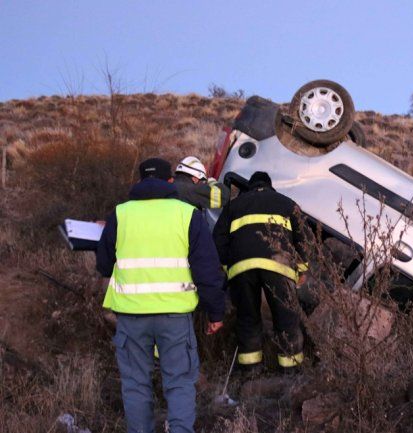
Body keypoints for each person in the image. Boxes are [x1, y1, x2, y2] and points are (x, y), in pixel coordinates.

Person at [96, 157, 226, 433]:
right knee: (179, 382)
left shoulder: (120, 214)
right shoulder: (187, 213)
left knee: (135, 384)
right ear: (170, 181)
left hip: (130, 317)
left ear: (140, 180)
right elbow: (207, 269)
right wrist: (215, 312)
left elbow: (104, 265)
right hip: (174, 317)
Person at [212, 171, 308, 373]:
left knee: (247, 318)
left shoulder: (234, 205)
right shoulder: (287, 203)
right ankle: (291, 372)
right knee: (286, 317)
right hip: (278, 265)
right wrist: (302, 270)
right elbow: (304, 239)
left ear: (250, 186)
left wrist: (227, 266)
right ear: (271, 186)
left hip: (241, 268)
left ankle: (250, 371)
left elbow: (218, 239)